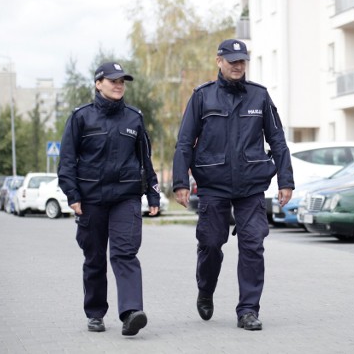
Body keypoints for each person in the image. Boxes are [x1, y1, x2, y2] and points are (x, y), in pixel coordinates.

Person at [172, 39, 294, 331]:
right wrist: (180, 183)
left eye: (242, 61)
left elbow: (277, 140)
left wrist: (285, 180)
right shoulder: (202, 97)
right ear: (219, 61)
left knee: (253, 245)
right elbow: (185, 142)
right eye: (232, 61)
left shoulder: (260, 97)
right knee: (211, 244)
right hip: (213, 184)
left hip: (251, 185)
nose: (238, 66)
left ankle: (248, 310)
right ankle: (206, 288)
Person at [58, 62, 160, 336]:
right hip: (90, 199)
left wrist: (152, 192)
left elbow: (144, 159)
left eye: (122, 81)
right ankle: (95, 314)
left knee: (125, 252)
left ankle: (131, 313)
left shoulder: (133, 118)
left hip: (125, 197)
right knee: (94, 258)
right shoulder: (81, 117)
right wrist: (72, 194)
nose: (118, 85)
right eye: (113, 80)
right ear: (98, 83)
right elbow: (67, 160)